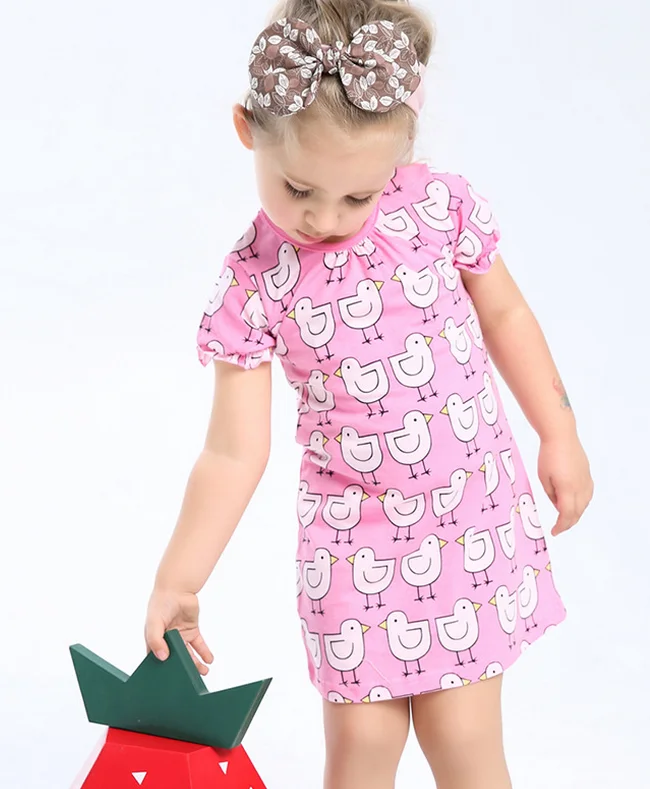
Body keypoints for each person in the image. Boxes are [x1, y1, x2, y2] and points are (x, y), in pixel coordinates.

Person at [144, 1, 594, 787]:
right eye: (298, 188)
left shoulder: (435, 210)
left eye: (357, 196)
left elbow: (506, 315)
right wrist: (179, 579)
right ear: (248, 130)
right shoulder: (254, 283)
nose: (324, 218)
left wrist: (558, 430)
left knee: (464, 740)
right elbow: (233, 451)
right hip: (354, 544)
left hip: (466, 520)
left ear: (401, 151)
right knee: (361, 748)